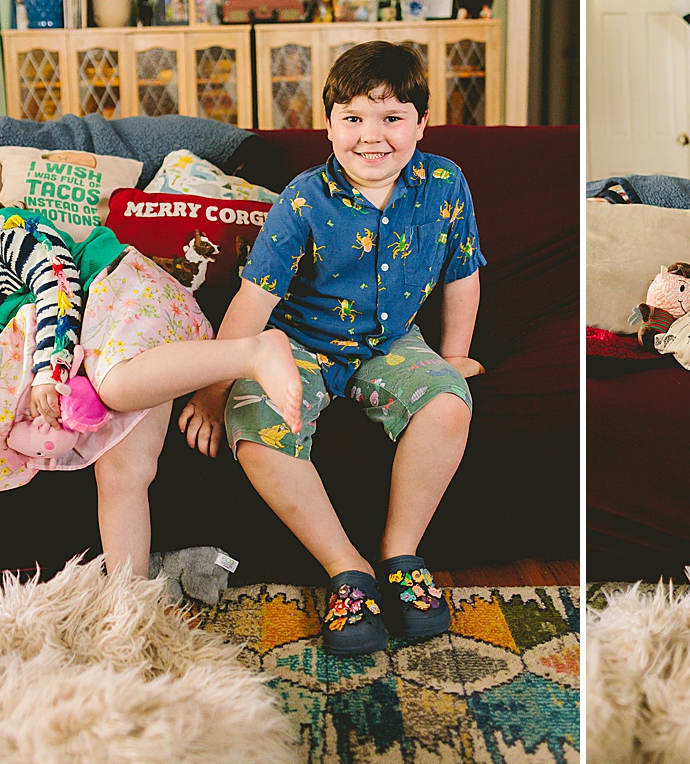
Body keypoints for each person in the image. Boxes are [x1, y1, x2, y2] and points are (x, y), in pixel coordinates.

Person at [177, 42, 485, 657]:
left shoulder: (446, 184)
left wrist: (454, 356)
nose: (372, 136)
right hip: (296, 345)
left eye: (393, 118)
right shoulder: (302, 200)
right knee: (255, 425)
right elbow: (253, 303)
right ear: (329, 125)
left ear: (421, 124)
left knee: (451, 404)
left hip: (392, 342)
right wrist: (211, 393)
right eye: (353, 118)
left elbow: (462, 272)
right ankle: (348, 570)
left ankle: (400, 555)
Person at [0, 159, 303, 578]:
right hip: (96, 348)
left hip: (120, 296)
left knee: (117, 387)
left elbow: (57, 284)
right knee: (120, 473)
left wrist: (49, 373)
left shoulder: (2, 233)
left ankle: (253, 352)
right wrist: (25, 413)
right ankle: (127, 599)